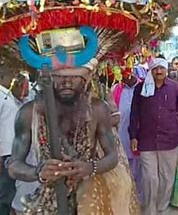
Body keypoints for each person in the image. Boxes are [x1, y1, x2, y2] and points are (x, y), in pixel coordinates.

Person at [8, 62, 127, 214]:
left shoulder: (97, 109)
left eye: (74, 76)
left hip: (91, 198)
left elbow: (112, 157)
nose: (67, 82)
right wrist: (39, 172)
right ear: (45, 78)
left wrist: (90, 168)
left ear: (85, 79)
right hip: (48, 199)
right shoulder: (29, 113)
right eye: (58, 76)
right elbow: (13, 165)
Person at [129, 58, 178, 215]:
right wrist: (133, 136)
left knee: (166, 177)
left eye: (161, 68)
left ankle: (162, 208)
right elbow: (134, 114)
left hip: (169, 140)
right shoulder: (141, 88)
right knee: (150, 178)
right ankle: (150, 210)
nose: (159, 71)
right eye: (155, 68)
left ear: (166, 69)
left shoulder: (175, 87)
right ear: (151, 70)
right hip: (146, 140)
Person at [0, 68, 27, 215]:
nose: (13, 76)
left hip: (11, 152)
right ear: (0, 74)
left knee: (9, 192)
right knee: (0, 195)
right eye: (11, 73)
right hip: (2, 154)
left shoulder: (5, 94)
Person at [111, 69, 143, 202]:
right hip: (122, 137)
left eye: (126, 71)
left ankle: (141, 200)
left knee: (141, 171)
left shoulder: (144, 87)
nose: (124, 76)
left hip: (141, 136)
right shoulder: (115, 89)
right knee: (125, 170)